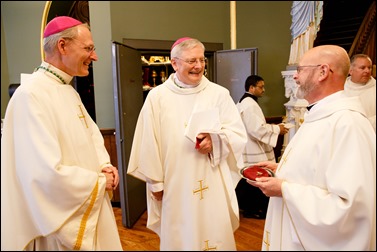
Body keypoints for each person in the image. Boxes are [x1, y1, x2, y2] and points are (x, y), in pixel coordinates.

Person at [1, 16, 123, 251]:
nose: (94, 56)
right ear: (62, 46)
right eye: (88, 48)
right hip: (61, 220)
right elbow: (42, 173)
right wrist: (98, 182)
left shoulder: (66, 90)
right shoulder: (31, 95)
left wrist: (103, 165)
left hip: (87, 202)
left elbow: (90, 140)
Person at [248, 45, 376, 250]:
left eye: (300, 70)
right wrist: (281, 169)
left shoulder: (348, 124)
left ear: (323, 72)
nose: (296, 77)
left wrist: (284, 188)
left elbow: (350, 207)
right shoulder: (318, 116)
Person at [127, 37, 247, 250]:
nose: (199, 66)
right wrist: (155, 183)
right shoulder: (157, 97)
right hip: (175, 183)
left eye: (201, 60)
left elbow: (237, 133)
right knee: (181, 235)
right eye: (192, 61)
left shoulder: (218, 94)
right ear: (175, 63)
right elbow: (148, 141)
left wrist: (216, 141)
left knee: (214, 230)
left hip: (212, 180)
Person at [235, 75, 288, 219]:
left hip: (249, 146)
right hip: (253, 147)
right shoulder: (249, 104)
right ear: (251, 88)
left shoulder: (245, 101)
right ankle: (255, 209)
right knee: (256, 177)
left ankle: (249, 208)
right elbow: (256, 129)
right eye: (261, 87)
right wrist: (278, 129)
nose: (263, 90)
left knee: (251, 178)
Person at [344, 54, 376, 131]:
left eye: (369, 67)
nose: (367, 71)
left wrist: (364, 126)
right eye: (362, 68)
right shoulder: (341, 88)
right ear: (350, 71)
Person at [288, 1, 323, 65]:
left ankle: (306, 57)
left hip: (309, 4)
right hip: (299, 5)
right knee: (297, 29)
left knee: (309, 26)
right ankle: (296, 58)